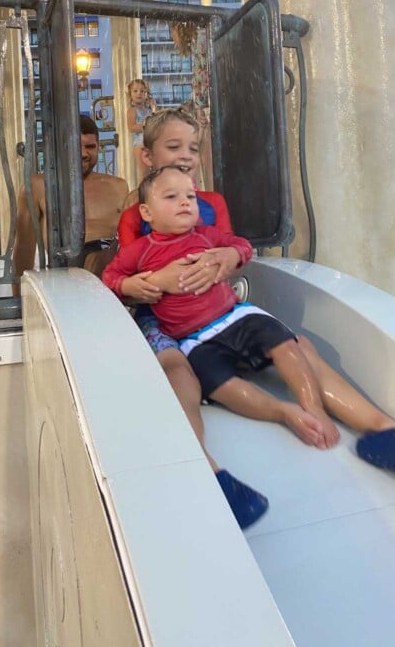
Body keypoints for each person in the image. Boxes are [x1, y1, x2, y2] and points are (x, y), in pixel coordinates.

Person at [104, 166, 395, 511]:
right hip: (188, 335)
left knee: (293, 345)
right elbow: (112, 277)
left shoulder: (206, 235)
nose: (185, 202)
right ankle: (278, 417)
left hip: (231, 316)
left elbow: (240, 246)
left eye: (191, 195)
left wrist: (231, 254)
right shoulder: (141, 249)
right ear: (147, 209)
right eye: (172, 196)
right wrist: (137, 284)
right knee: (213, 381)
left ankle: (377, 431)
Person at [118, 107, 268, 528]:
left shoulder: (213, 204)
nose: (185, 155)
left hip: (211, 309)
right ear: (146, 156)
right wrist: (147, 282)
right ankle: (203, 466)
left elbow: (231, 250)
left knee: (290, 342)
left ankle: (336, 418)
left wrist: (227, 255)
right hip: (163, 316)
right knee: (177, 371)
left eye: (193, 148)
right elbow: (128, 273)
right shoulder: (135, 213)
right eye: (173, 147)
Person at [13, 115, 129, 292]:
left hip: (112, 275)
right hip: (67, 273)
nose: (83, 154)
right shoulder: (38, 186)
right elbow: (23, 248)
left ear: (99, 147)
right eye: (75, 147)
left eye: (90, 147)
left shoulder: (119, 186)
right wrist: (19, 301)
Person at [126, 78, 156, 182]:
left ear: (146, 94)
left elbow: (156, 120)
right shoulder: (132, 111)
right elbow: (131, 127)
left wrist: (154, 108)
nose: (139, 94)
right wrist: (145, 125)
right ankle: (142, 195)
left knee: (152, 173)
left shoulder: (148, 110)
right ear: (130, 94)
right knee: (143, 173)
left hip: (150, 143)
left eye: (142, 91)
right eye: (135, 91)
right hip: (140, 145)